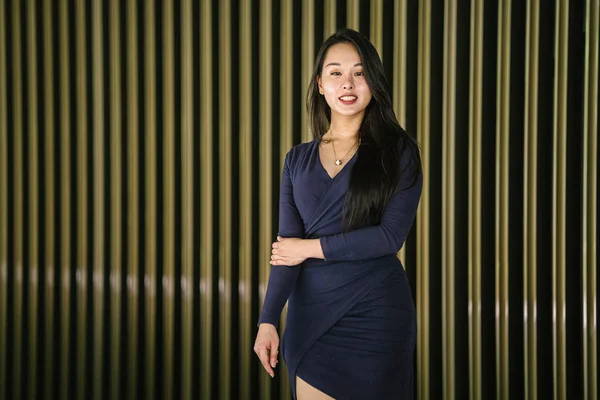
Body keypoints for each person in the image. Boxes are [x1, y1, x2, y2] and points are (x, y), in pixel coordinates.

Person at [254, 28, 423, 399]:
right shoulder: (296, 160)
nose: (348, 83)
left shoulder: (399, 152)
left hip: (376, 314)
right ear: (320, 84)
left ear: (373, 82)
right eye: (335, 72)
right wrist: (267, 320)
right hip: (311, 317)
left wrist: (309, 249)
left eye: (360, 73)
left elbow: (388, 238)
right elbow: (286, 251)